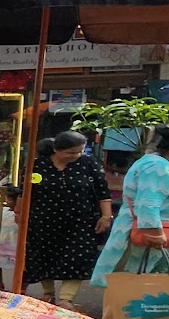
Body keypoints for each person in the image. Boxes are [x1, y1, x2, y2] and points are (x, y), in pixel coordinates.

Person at [25, 131, 111, 305]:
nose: (76, 156)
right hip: (43, 220)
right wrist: (20, 215)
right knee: (43, 255)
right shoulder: (38, 165)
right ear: (56, 150)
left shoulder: (88, 163)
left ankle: (66, 298)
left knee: (79, 256)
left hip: (82, 221)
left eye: (80, 151)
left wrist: (106, 216)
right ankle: (48, 293)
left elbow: (103, 191)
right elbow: (25, 192)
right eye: (71, 152)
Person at [92, 124, 169, 288]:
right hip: (151, 236)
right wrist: (156, 234)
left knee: (133, 287)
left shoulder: (154, 163)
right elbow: (148, 203)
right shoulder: (159, 168)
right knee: (136, 287)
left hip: (151, 232)